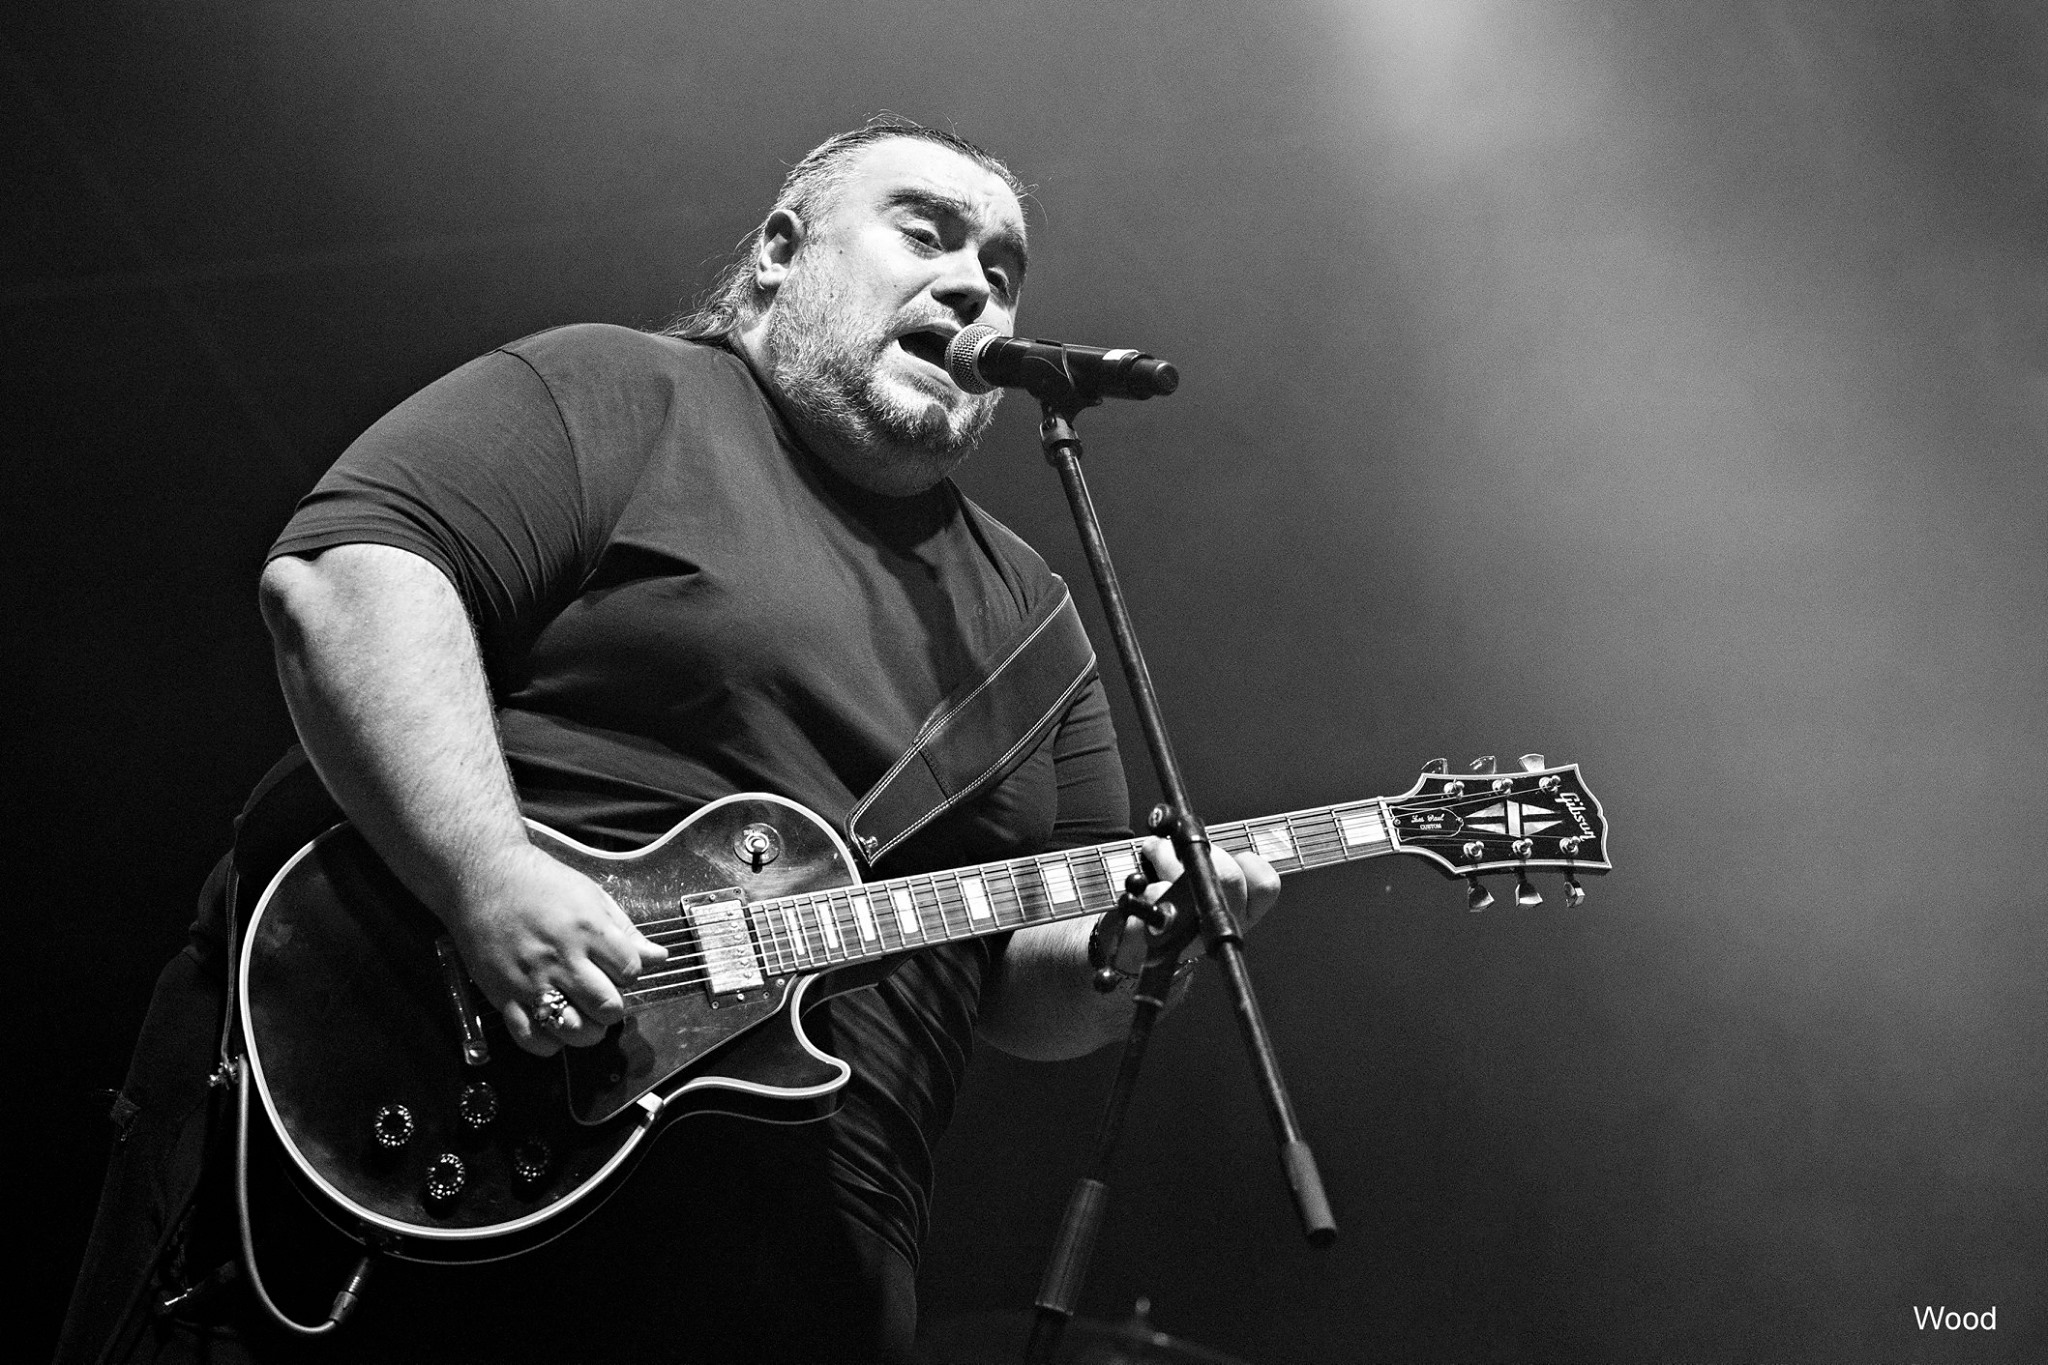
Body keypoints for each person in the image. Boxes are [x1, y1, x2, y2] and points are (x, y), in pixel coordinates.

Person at [58, 118, 1277, 1364]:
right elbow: (345, 583)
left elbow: (1028, 989)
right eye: (924, 233)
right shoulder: (622, 393)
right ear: (779, 255)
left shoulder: (1036, 629)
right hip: (432, 1117)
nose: (973, 284)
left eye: (1003, 270)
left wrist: (1136, 946)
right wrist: (487, 879)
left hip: (803, 1268)